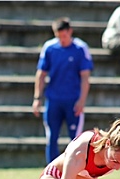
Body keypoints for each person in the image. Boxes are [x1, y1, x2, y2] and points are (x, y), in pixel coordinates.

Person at [33, 17, 94, 164]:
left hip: (73, 100)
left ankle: (75, 172)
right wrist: (37, 98)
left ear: (70, 32)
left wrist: (82, 100)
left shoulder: (80, 48)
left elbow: (85, 77)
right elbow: (41, 74)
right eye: (58, 36)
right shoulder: (50, 48)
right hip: (53, 99)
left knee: (76, 139)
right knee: (51, 136)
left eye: (64, 36)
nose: (62, 40)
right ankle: (52, 171)